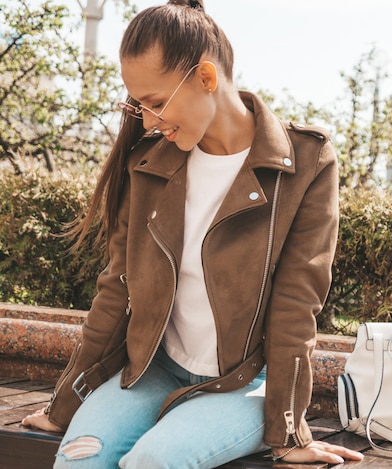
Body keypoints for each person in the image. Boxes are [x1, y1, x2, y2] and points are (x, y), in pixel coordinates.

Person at [22, 1, 364, 467]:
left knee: (151, 462)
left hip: (241, 385)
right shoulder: (149, 164)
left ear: (206, 78)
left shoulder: (303, 165)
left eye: (157, 103)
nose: (146, 121)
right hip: (152, 371)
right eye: (138, 104)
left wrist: (286, 430)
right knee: (79, 459)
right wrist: (64, 408)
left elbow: (295, 305)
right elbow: (116, 290)